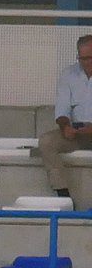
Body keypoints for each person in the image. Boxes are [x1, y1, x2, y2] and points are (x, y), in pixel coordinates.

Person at [36, 35, 92, 204]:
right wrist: (65, 126)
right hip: (77, 132)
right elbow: (62, 110)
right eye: (83, 58)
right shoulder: (68, 74)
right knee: (46, 142)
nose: (87, 62)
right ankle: (63, 197)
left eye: (90, 57)